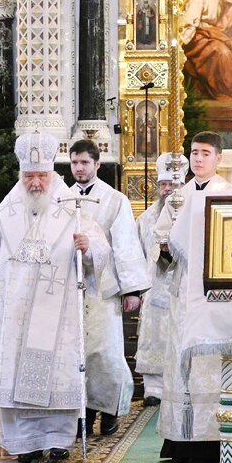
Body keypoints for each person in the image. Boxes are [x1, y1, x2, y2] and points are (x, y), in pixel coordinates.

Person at [0, 133, 110, 463]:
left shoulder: (71, 207)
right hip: (14, 310)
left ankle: (59, 440)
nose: (35, 183)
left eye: (41, 176)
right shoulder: (7, 210)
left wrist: (87, 248)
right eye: (29, 176)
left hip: (56, 309)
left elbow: (100, 248)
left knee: (56, 377)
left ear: (51, 174)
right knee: (17, 379)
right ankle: (24, 443)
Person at [153, 132, 230, 463]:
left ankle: (215, 436)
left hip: (215, 292)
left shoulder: (227, 194)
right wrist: (165, 249)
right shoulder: (178, 197)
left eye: (206, 153)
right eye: (194, 153)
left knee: (212, 360)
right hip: (184, 290)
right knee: (182, 357)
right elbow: (159, 241)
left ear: (218, 158)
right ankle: (182, 439)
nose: (199, 159)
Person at [68, 139, 150, 437]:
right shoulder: (62, 199)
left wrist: (132, 290)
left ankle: (111, 410)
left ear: (97, 165)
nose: (79, 168)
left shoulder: (115, 200)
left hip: (104, 288)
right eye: (75, 163)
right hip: (71, 290)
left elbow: (126, 246)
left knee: (106, 353)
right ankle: (83, 415)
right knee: (79, 355)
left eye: (85, 163)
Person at [135, 152, 187, 407]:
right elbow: (136, 254)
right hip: (155, 288)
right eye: (163, 184)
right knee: (154, 337)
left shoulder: (193, 212)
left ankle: (182, 385)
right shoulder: (146, 219)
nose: (167, 189)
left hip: (184, 289)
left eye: (173, 184)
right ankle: (153, 388)